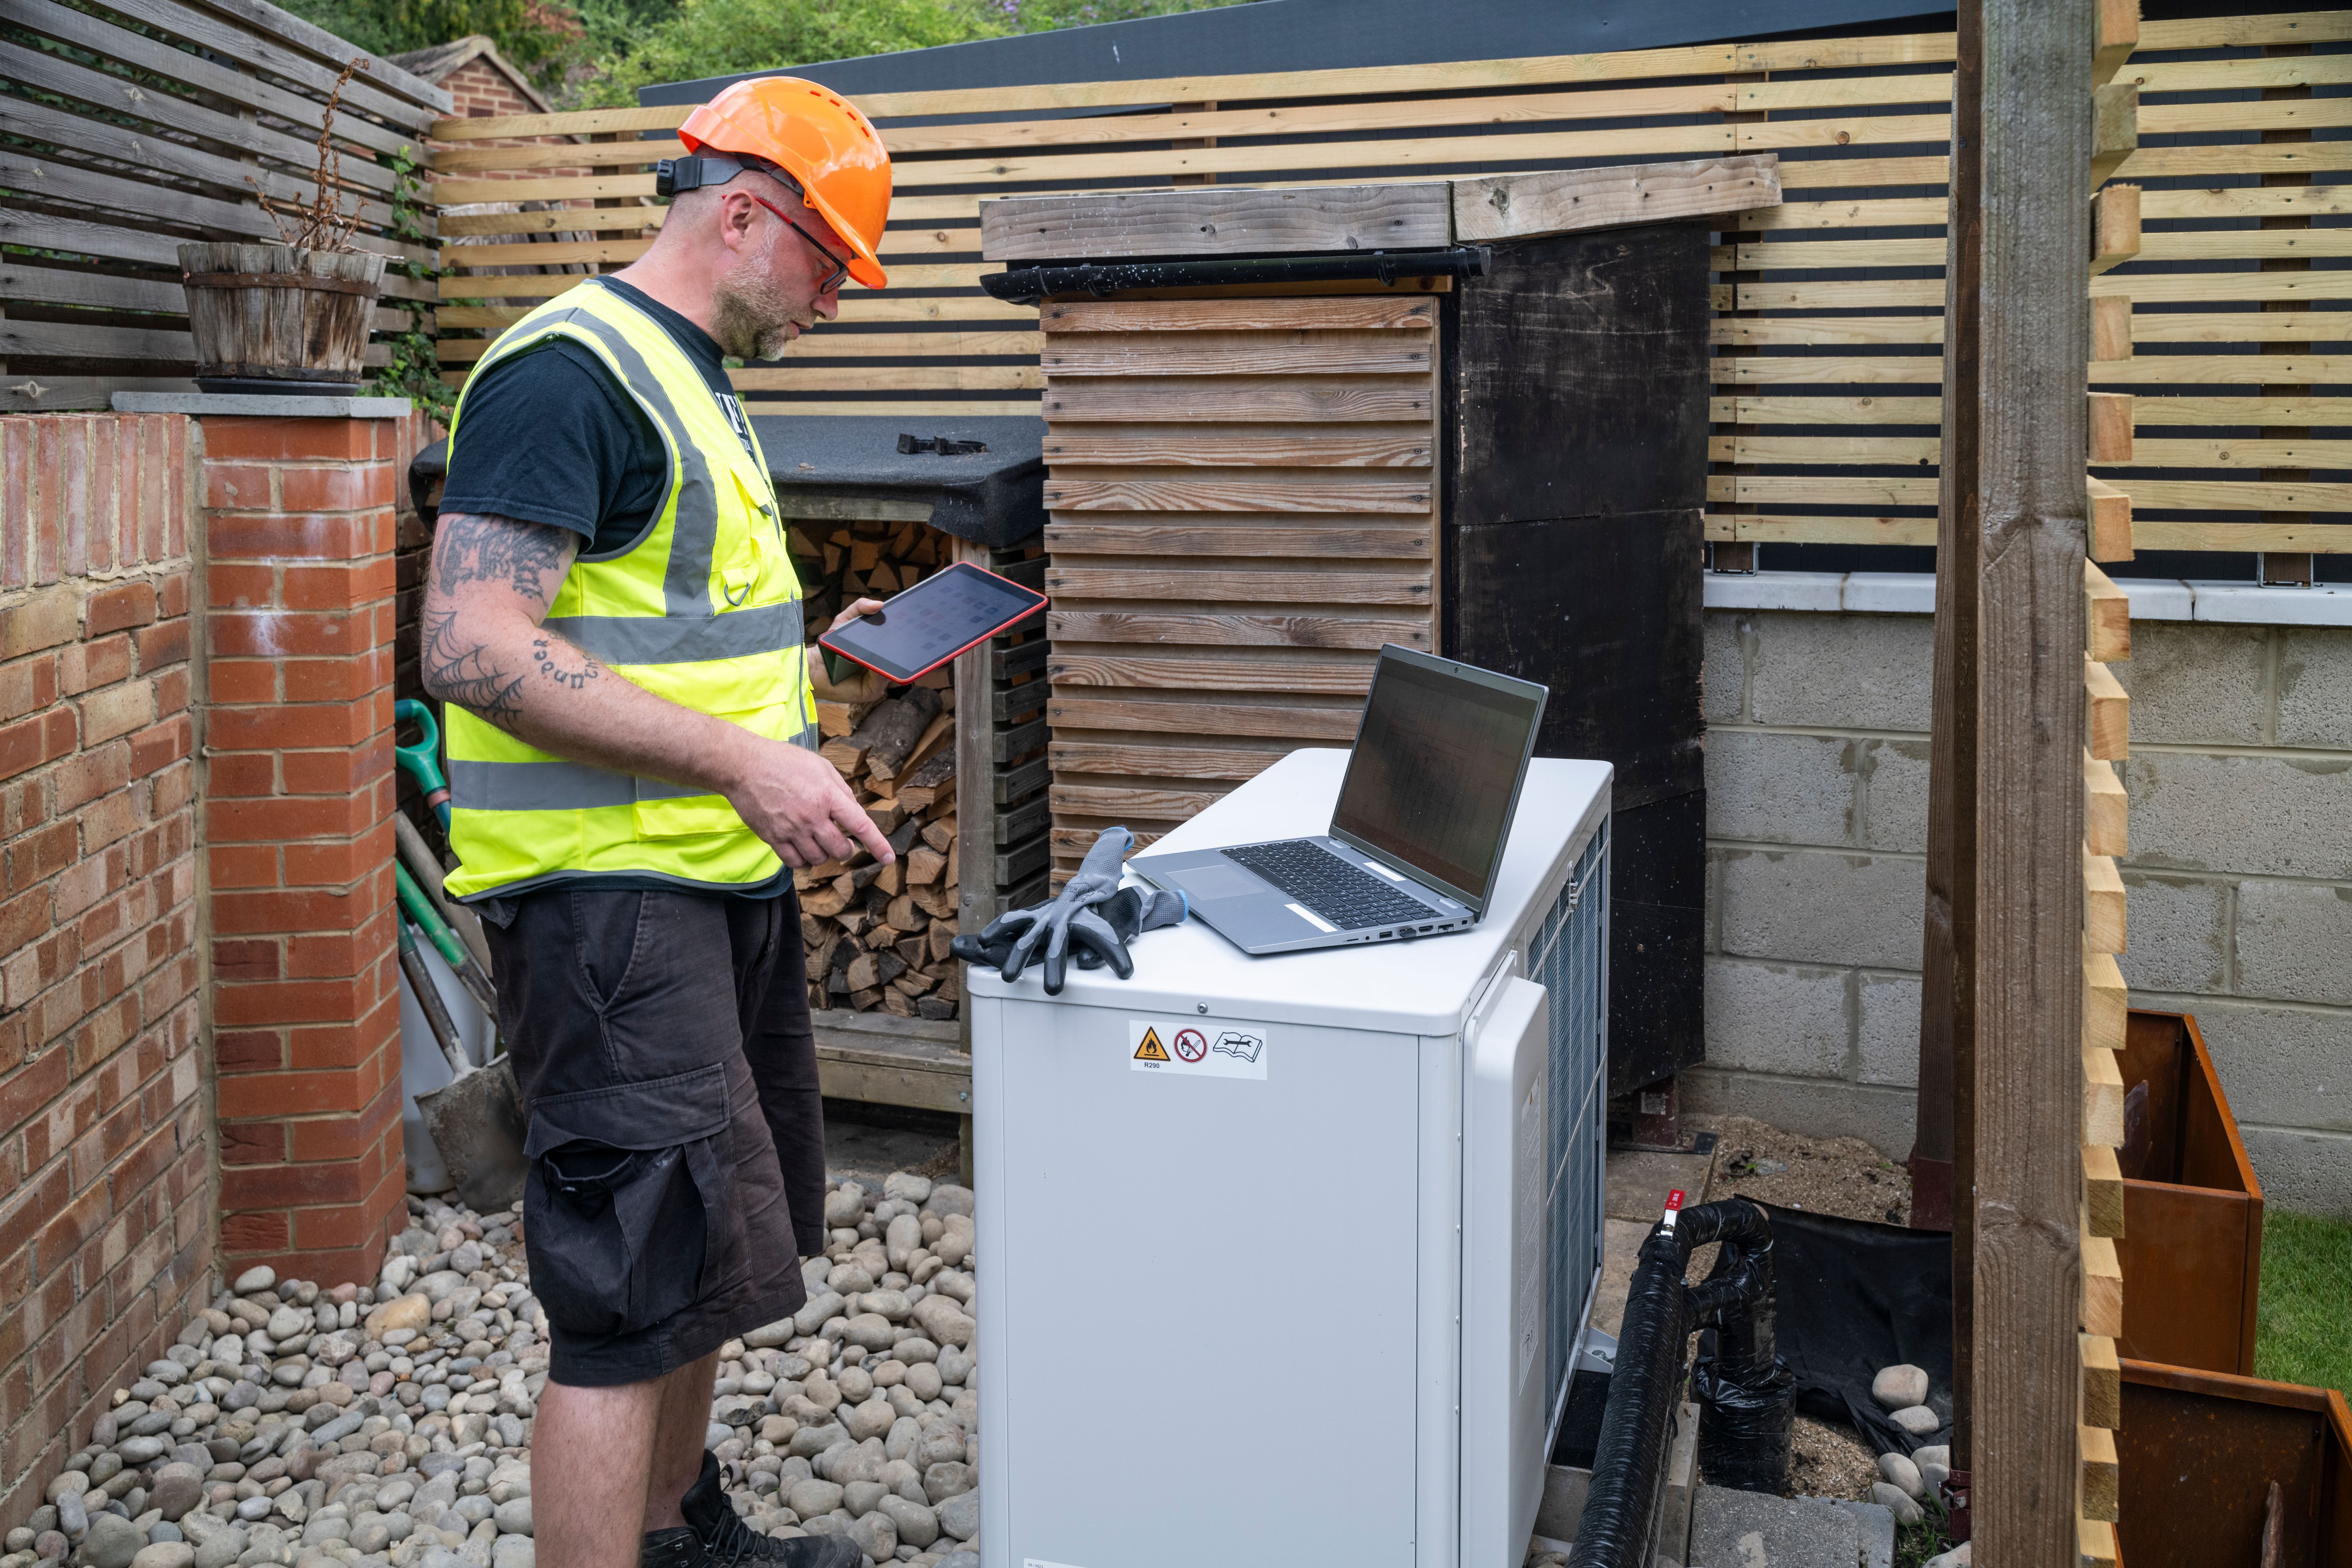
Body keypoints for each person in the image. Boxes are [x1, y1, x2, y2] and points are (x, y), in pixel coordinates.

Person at [421, 74, 898, 1568]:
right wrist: (745, 764)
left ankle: (677, 1534)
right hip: (606, 908)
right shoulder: (570, 373)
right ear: (749, 215)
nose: (838, 300)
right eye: (832, 264)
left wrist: (810, 670)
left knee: (707, 1254)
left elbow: (648, 634)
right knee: (622, 1300)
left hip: (702, 886)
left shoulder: (689, 374)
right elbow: (476, 644)